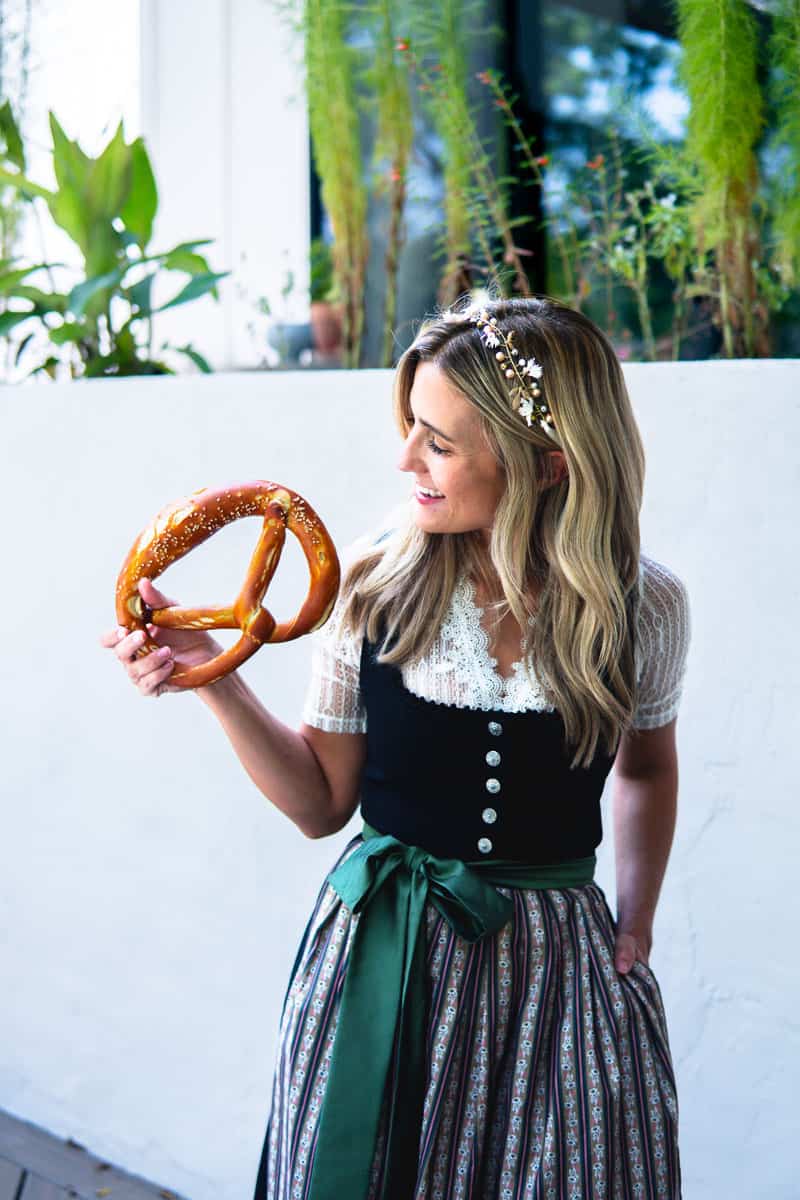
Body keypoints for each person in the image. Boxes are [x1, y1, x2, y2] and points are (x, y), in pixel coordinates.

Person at [100, 294, 691, 1199]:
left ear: (549, 466)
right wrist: (216, 677)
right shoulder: (375, 583)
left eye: (439, 443)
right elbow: (319, 804)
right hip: (385, 953)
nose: (404, 458)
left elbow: (646, 766)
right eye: (410, 425)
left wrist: (638, 920)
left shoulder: (643, 606)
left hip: (556, 975)